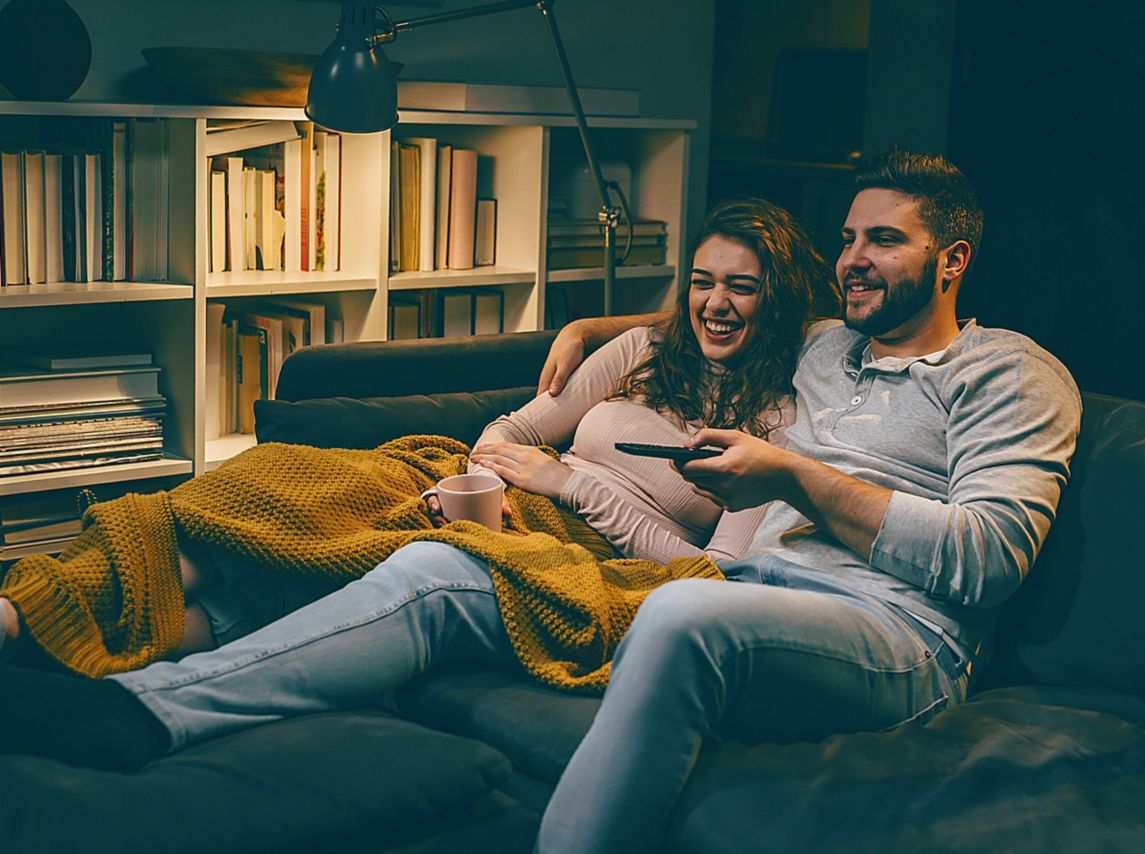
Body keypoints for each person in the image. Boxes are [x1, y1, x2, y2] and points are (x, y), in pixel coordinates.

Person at [0, 197, 840, 773]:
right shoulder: (642, 352)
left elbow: (708, 571)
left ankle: (48, 640)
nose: (715, 304)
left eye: (741, 286)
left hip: (566, 544)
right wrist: (487, 476)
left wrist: (570, 487)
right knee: (263, 489)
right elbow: (511, 429)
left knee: (290, 560)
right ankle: (22, 623)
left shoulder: (780, 427)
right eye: (702, 281)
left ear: (778, 298)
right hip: (480, 491)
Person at [530, 148, 1082, 852]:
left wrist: (793, 476)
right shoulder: (825, 345)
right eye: (848, 238)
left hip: (901, 635)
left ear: (952, 261)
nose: (853, 257)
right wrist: (587, 328)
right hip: (748, 588)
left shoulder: (1008, 372)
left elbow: (988, 560)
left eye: (883, 240)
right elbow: (722, 305)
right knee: (456, 576)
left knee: (677, 614)